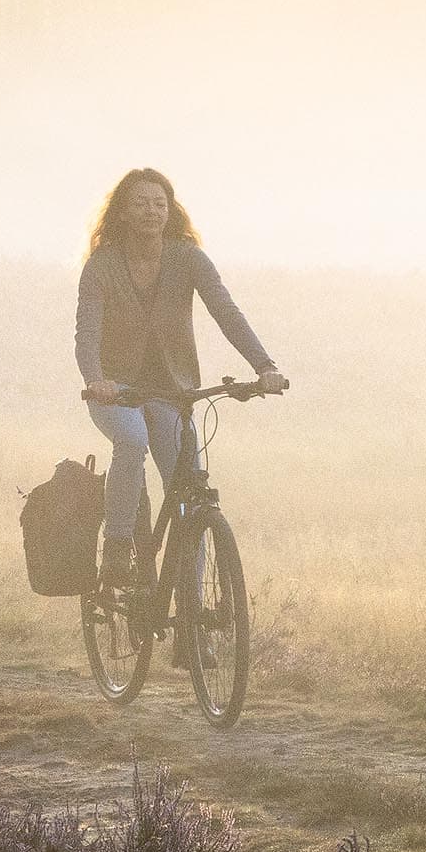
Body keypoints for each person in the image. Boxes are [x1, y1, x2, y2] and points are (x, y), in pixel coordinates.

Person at [75, 167, 288, 587]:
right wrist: (96, 378)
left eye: (159, 203)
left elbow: (226, 312)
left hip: (173, 393)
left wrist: (264, 367)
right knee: (132, 440)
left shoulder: (187, 259)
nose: (151, 211)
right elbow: (87, 332)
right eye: (140, 203)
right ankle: (118, 546)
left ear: (170, 210)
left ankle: (195, 625)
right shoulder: (101, 266)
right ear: (120, 213)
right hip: (117, 392)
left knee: (191, 497)